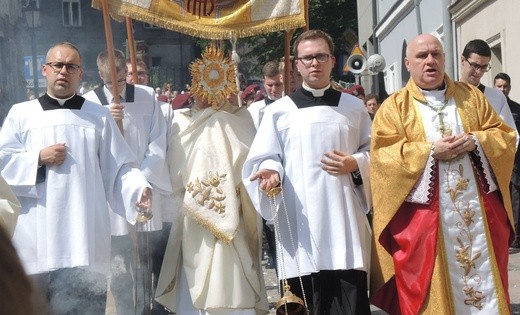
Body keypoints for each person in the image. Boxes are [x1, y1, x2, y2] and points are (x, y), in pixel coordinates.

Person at [0, 42, 152, 314]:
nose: (63, 71)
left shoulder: (98, 117)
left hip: (83, 239)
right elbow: (3, 166)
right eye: (58, 65)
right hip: (35, 241)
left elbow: (119, 168)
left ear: (80, 74)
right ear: (45, 69)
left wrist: (138, 189)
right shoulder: (21, 115)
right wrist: (37, 158)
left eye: (71, 66)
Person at [370, 33, 516, 315]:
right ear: (407, 64)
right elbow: (383, 157)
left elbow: (505, 137)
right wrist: (427, 152)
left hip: (478, 218)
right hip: (426, 224)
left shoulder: (471, 97)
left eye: (436, 54)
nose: (430, 61)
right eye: (422, 56)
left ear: (445, 58)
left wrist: (477, 141)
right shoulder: (394, 108)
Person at [243, 29, 372, 314]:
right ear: (297, 64)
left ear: (332, 61)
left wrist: (356, 163)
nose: (315, 63)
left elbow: (375, 153)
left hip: (343, 222)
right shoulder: (279, 111)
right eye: (308, 57)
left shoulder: (354, 108)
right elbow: (266, 156)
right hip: (299, 224)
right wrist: (269, 171)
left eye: (321, 56)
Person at [155, 45, 269, 315]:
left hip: (235, 217)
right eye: (204, 83)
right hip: (191, 219)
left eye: (220, 82)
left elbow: (252, 165)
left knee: (233, 283)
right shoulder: (179, 123)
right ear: (194, 86)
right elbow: (172, 171)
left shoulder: (242, 119)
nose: (212, 93)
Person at [83, 49, 171, 314]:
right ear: (100, 75)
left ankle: (150, 309)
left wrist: (141, 181)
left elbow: (158, 141)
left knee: (148, 263)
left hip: (145, 191)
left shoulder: (146, 97)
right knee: (120, 268)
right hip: (112, 199)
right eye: (110, 82)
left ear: (126, 73)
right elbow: (91, 152)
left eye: (121, 80)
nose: (117, 88)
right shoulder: (89, 103)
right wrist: (107, 122)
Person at [459, 39, 517, 134]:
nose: (478, 72)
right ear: (462, 60)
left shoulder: (497, 98)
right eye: (474, 65)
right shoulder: (449, 93)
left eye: (484, 67)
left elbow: (509, 135)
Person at [494, 72, 520, 249]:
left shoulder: (517, 108)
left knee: (515, 197)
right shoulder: (488, 107)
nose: (503, 89)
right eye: (499, 86)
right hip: (495, 160)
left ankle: (516, 238)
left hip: (515, 161)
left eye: (505, 86)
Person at [247, 60, 285, 129]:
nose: (274, 89)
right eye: (270, 85)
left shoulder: (291, 105)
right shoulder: (254, 110)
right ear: (264, 82)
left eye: (278, 84)